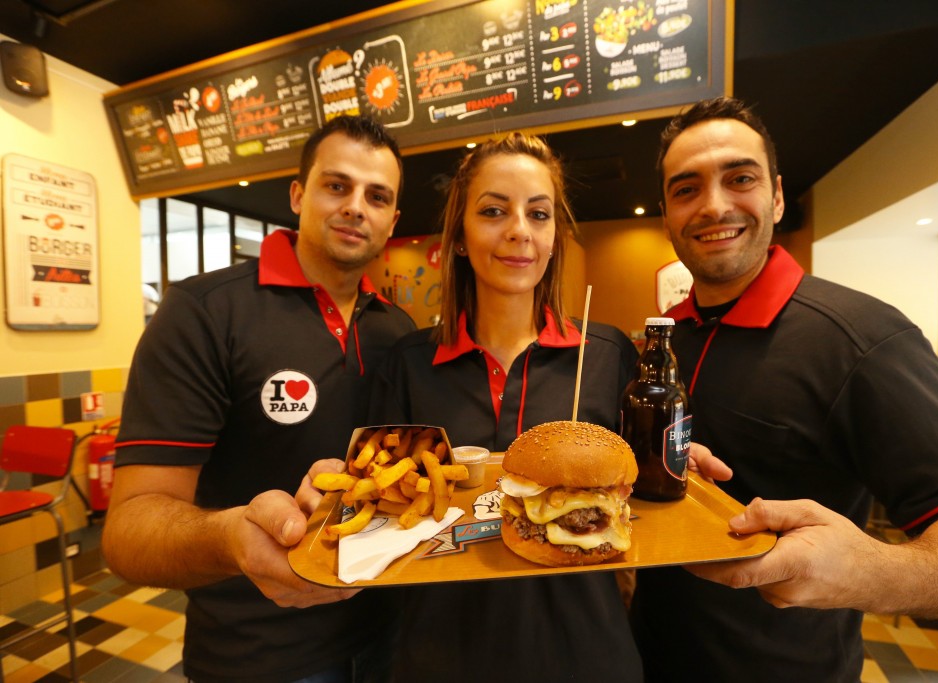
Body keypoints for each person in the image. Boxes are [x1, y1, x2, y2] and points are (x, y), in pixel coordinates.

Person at [629, 96, 938, 681]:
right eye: (686, 189)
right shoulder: (670, 340)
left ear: (778, 195)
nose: (713, 206)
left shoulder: (862, 338)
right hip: (647, 657)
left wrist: (873, 572)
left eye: (740, 178)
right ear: (666, 214)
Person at [102, 115, 416, 683]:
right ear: (298, 195)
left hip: (388, 640)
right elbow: (128, 532)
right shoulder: (204, 313)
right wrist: (230, 536)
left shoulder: (398, 330)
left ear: (392, 220)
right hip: (257, 656)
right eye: (336, 185)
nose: (355, 207)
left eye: (377, 196)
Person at [363, 132, 643, 681]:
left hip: (585, 652)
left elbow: (640, 508)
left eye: (538, 215)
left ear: (555, 237)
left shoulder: (608, 355)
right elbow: (378, 509)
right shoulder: (408, 362)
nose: (519, 230)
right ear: (461, 237)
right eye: (494, 210)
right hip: (438, 652)